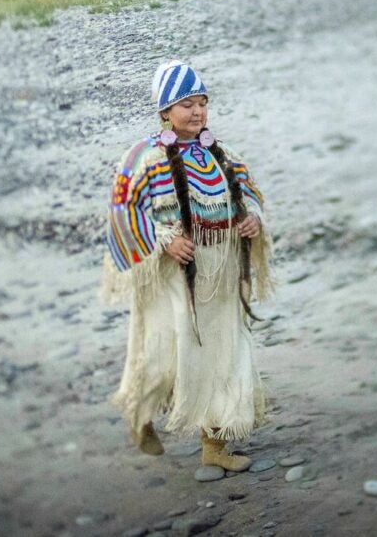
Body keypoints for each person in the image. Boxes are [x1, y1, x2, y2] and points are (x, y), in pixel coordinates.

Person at [101, 60, 274, 472]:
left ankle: (215, 444)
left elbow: (250, 201)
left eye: (202, 103)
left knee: (223, 355)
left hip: (220, 276)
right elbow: (123, 210)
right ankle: (140, 413)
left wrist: (252, 223)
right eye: (186, 104)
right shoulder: (143, 157)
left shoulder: (225, 156)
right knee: (164, 352)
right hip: (172, 276)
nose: (197, 112)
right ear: (165, 112)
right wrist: (164, 240)